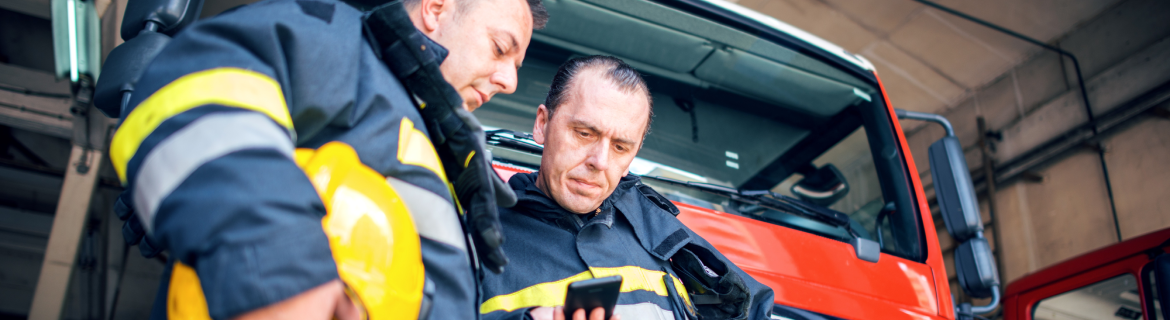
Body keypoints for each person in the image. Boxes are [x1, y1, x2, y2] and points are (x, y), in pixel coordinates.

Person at [107, 0, 548, 318]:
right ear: (436, 9)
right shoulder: (340, 44)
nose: (510, 80)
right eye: (500, 48)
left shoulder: (437, 150)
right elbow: (194, 93)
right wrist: (278, 268)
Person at [479, 55, 775, 320]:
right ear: (543, 124)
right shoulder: (478, 237)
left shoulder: (650, 221)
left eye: (620, 147)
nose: (600, 161)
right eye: (584, 133)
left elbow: (753, 306)